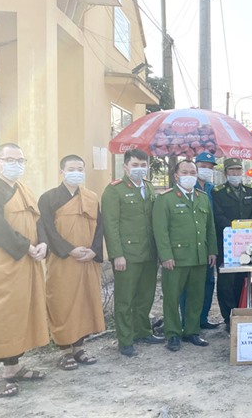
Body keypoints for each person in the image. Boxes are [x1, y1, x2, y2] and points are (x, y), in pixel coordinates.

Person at [0, 143, 50, 398]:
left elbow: (37, 219)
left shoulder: (23, 189)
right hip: (0, 266)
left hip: (26, 263)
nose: (16, 165)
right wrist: (27, 246)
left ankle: (12, 367)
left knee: (19, 312)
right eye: (10, 160)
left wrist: (42, 243)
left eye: (20, 160)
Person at [38, 155, 105, 371]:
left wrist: (94, 250)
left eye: (80, 169)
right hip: (63, 260)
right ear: (62, 172)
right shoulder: (48, 198)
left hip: (87, 259)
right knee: (62, 302)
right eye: (72, 168)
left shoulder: (91, 197)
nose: (76, 172)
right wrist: (69, 249)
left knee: (85, 302)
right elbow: (47, 229)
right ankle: (65, 351)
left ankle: (79, 348)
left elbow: (100, 226)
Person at [101, 148, 164, 357]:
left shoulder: (149, 187)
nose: (139, 169)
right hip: (127, 254)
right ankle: (125, 339)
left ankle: (142, 331)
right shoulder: (114, 190)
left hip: (149, 252)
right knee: (125, 299)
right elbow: (110, 225)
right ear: (125, 167)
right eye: (135, 165)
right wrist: (116, 254)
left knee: (145, 296)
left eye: (143, 165)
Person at [153, 159, 217, 352]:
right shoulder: (166, 199)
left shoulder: (202, 197)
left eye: (192, 173)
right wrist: (165, 256)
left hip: (199, 256)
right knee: (172, 298)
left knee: (196, 297)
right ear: (176, 176)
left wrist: (212, 250)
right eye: (185, 172)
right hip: (176, 258)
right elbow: (160, 231)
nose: (189, 176)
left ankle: (192, 331)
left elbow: (210, 227)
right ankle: (173, 334)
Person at [212, 158, 252, 330]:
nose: (235, 173)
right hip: (227, 243)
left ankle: (242, 312)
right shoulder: (218, 193)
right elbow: (218, 217)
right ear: (225, 173)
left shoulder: (250, 191)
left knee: (243, 279)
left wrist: (247, 230)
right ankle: (228, 318)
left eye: (238, 170)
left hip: (247, 245)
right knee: (226, 282)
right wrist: (236, 229)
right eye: (232, 170)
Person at [178, 152, 219, 330]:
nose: (206, 170)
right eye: (203, 166)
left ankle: (202, 318)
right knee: (188, 285)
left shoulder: (212, 189)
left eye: (210, 167)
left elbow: (211, 222)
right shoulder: (184, 188)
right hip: (188, 244)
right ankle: (188, 322)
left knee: (208, 282)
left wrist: (213, 248)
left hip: (207, 242)